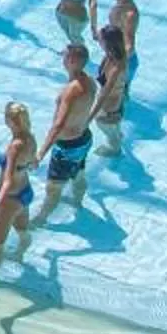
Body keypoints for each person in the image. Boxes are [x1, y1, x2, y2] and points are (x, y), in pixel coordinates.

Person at [44, 43, 100, 216]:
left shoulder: (71, 90)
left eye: (65, 56)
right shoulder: (90, 81)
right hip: (84, 138)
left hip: (67, 147)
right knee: (79, 174)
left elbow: (58, 124)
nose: (62, 60)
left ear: (71, 60)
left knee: (53, 187)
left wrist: (41, 152)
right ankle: (77, 202)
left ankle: (41, 219)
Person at [0, 99, 38, 277]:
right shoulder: (30, 138)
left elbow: (7, 180)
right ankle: (20, 253)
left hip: (10, 198)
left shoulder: (15, 146)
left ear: (10, 121)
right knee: (22, 231)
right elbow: (34, 164)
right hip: (25, 192)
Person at [94, 25, 131, 156]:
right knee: (114, 125)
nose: (98, 41)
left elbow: (105, 92)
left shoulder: (116, 67)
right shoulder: (118, 55)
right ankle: (117, 134)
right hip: (117, 100)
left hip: (110, 105)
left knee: (101, 123)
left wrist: (91, 115)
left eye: (100, 39)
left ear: (107, 43)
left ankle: (114, 148)